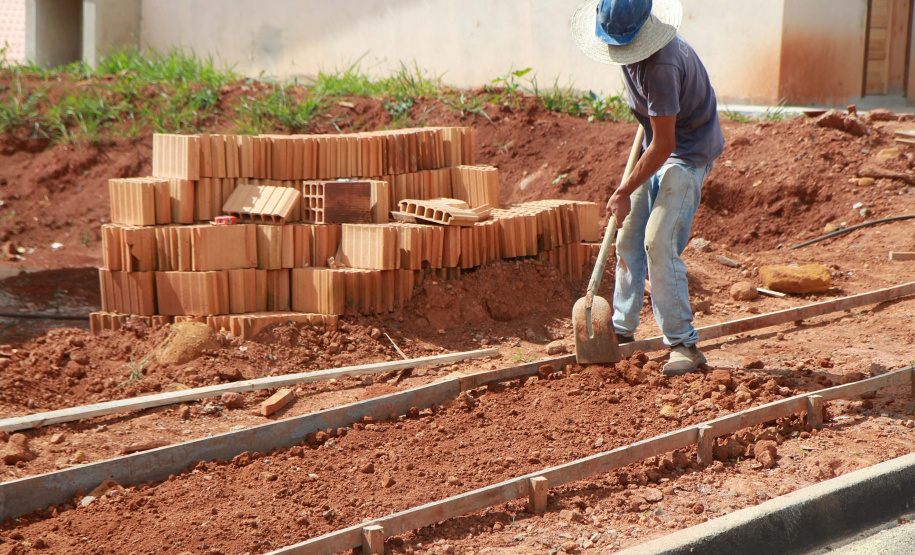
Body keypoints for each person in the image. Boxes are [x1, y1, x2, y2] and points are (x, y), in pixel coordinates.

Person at [571, 0, 724, 375]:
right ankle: (620, 329)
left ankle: (683, 345)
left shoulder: (661, 64)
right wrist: (631, 190)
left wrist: (624, 189)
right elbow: (651, 124)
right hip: (657, 144)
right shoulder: (629, 50)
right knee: (627, 237)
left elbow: (666, 143)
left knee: (658, 241)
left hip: (687, 152)